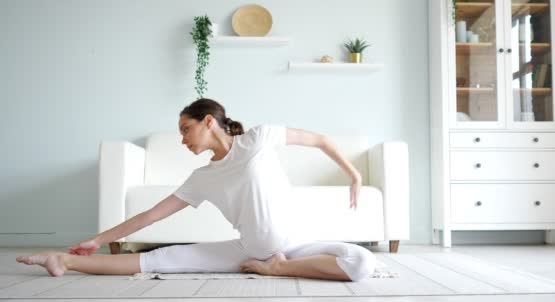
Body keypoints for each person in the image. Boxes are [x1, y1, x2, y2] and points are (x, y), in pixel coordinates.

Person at [16, 98, 376, 282]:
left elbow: (321, 140)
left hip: (297, 244)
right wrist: (97, 238)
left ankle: (279, 270)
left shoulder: (260, 138)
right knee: (161, 260)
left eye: (185, 129)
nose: (182, 139)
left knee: (361, 262)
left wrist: (354, 176)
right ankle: (63, 260)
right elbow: (148, 216)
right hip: (248, 250)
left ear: (208, 122)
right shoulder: (202, 179)